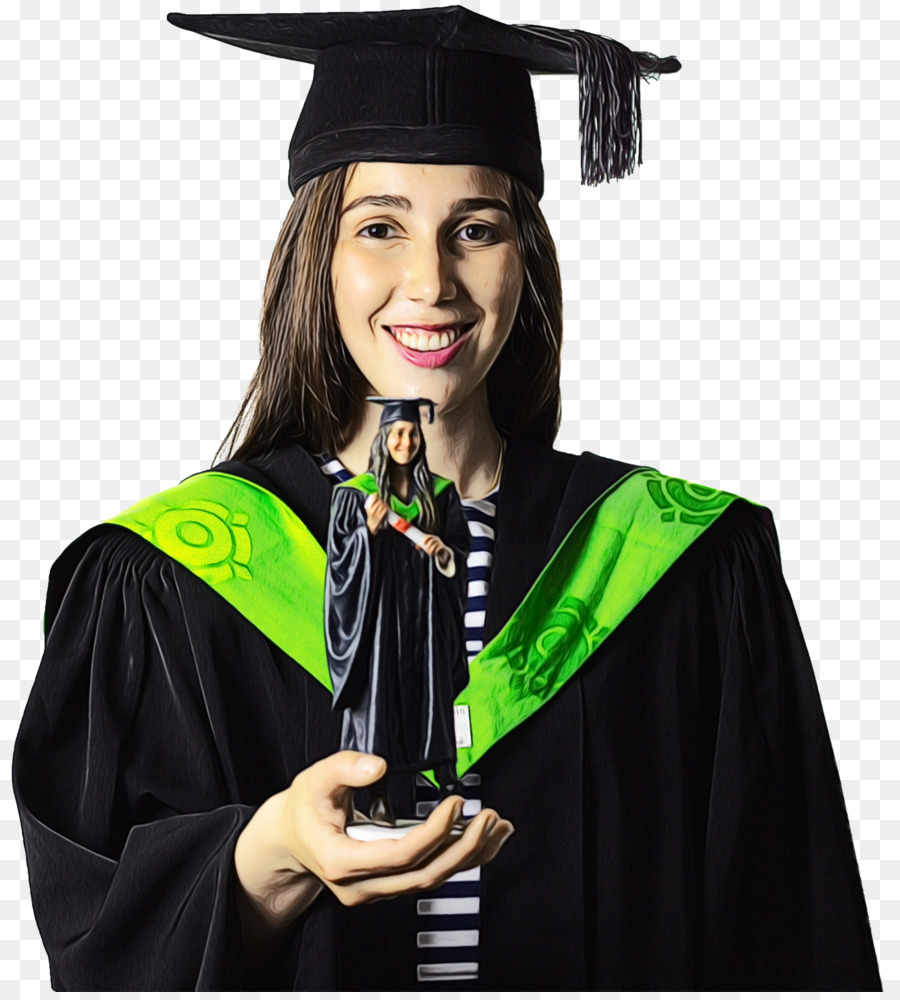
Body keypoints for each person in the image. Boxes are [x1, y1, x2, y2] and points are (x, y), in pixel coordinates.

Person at [12, 6, 881, 991]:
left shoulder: (682, 564)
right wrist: (276, 847)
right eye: (380, 226)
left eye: (476, 228)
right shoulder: (170, 577)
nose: (430, 280)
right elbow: (98, 941)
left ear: (526, 260)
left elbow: (793, 935)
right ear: (317, 261)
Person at [325, 397, 470, 826]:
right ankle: (380, 796)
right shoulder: (355, 497)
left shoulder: (441, 496)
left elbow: (460, 554)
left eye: (411, 434)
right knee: (380, 700)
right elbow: (339, 566)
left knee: (431, 696)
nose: (404, 442)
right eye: (396, 434)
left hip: (426, 622)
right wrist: (368, 533)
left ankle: (447, 785)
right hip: (381, 622)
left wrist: (443, 552)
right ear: (382, 440)